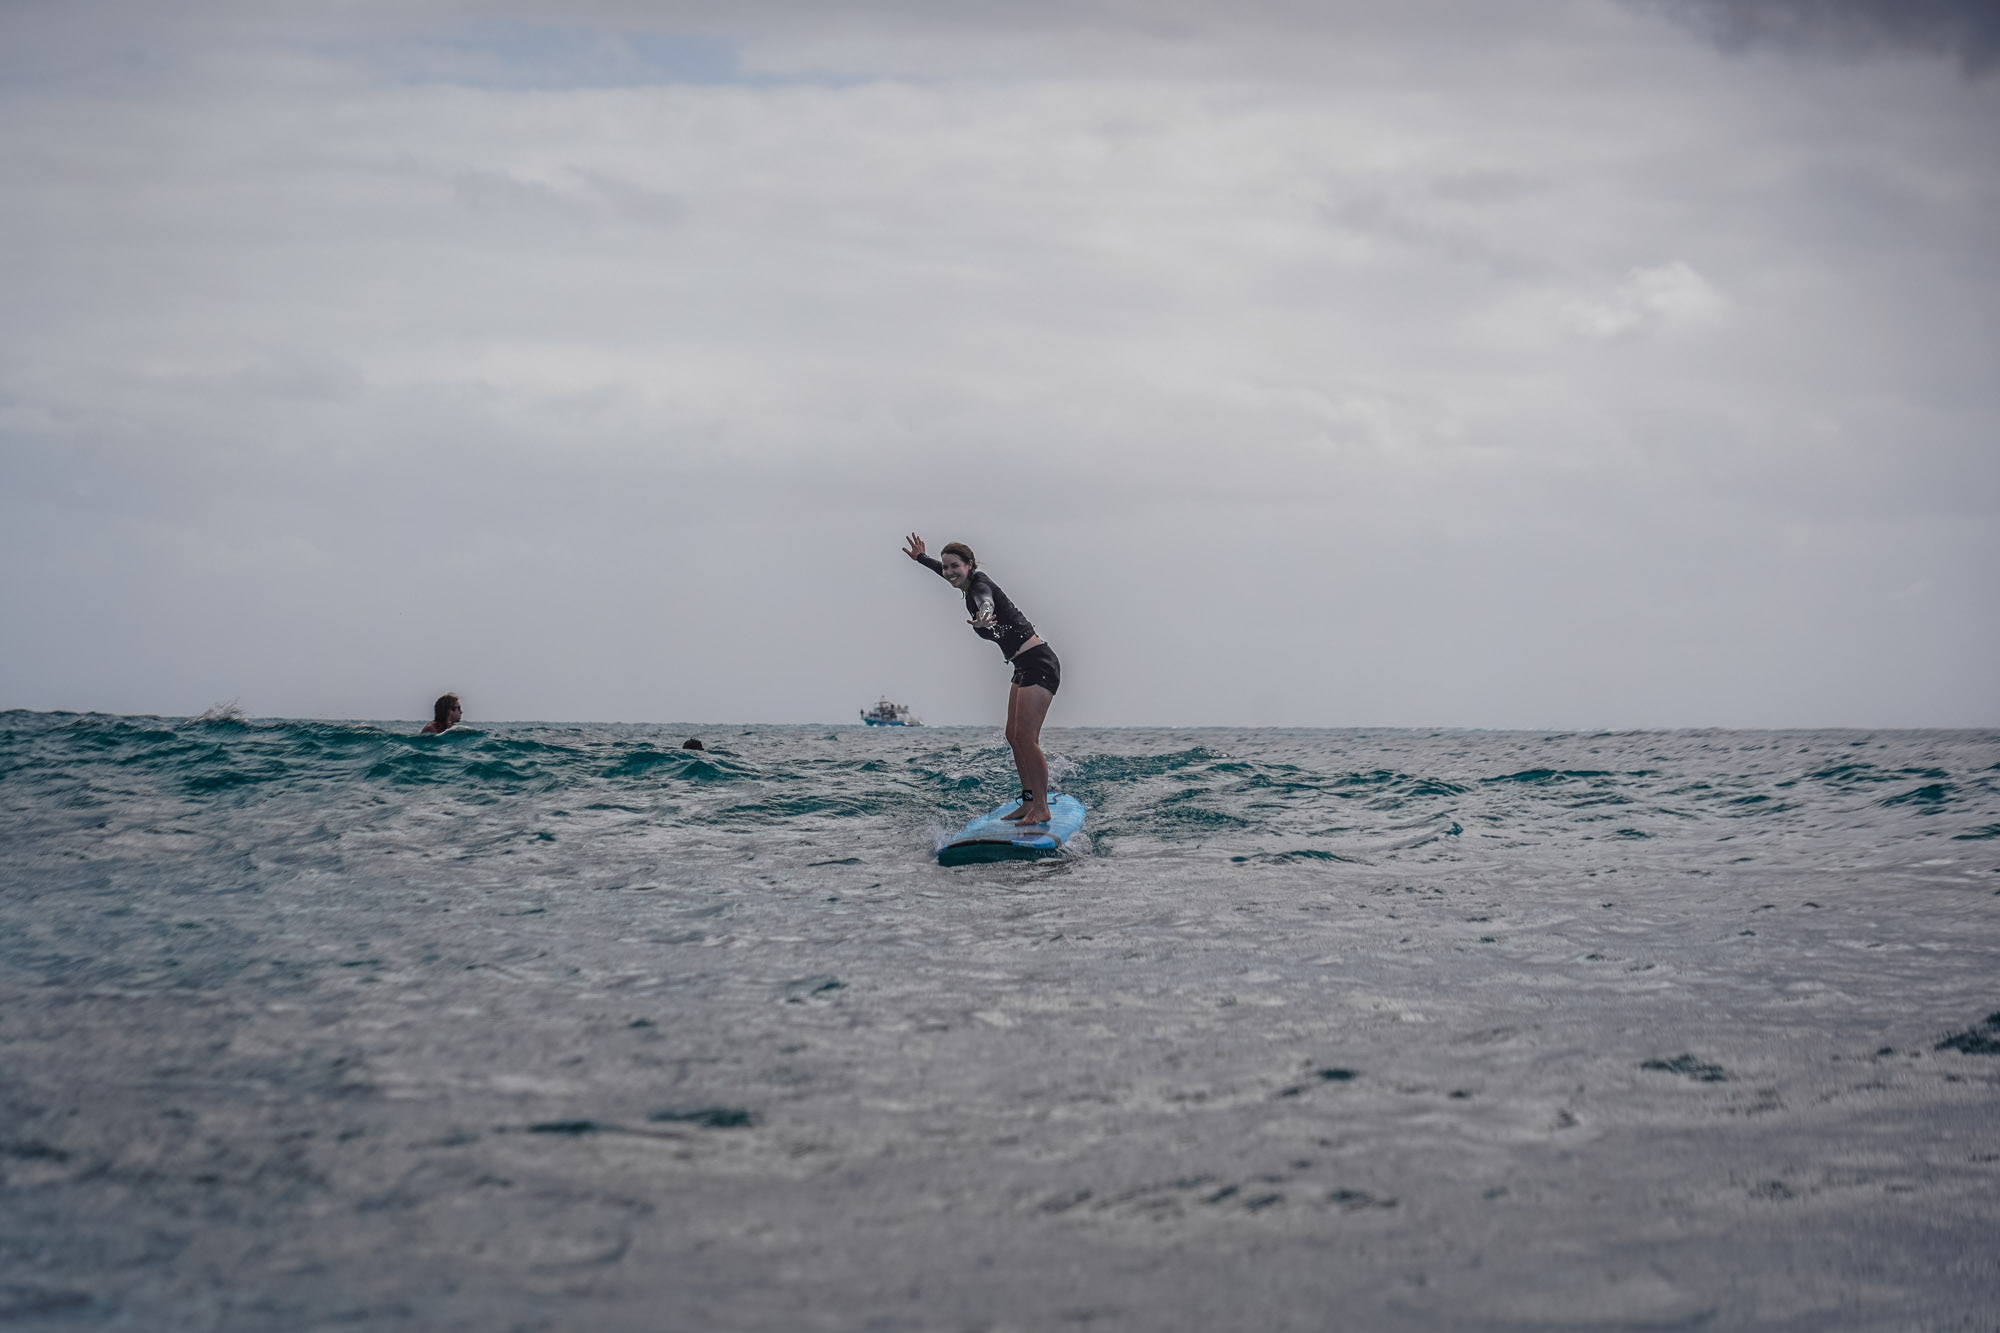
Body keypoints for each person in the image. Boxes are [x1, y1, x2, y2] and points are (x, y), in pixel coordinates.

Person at [902, 534, 1060, 823]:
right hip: (1021, 665)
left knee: (1027, 739)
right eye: (946, 566)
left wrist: (986, 615)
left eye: (955, 566)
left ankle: (1041, 807)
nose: (949, 572)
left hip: (1039, 663)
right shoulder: (963, 581)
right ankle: (1028, 802)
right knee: (1013, 736)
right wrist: (921, 559)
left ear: (970, 565)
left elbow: (985, 600)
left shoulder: (979, 585)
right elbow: (943, 572)